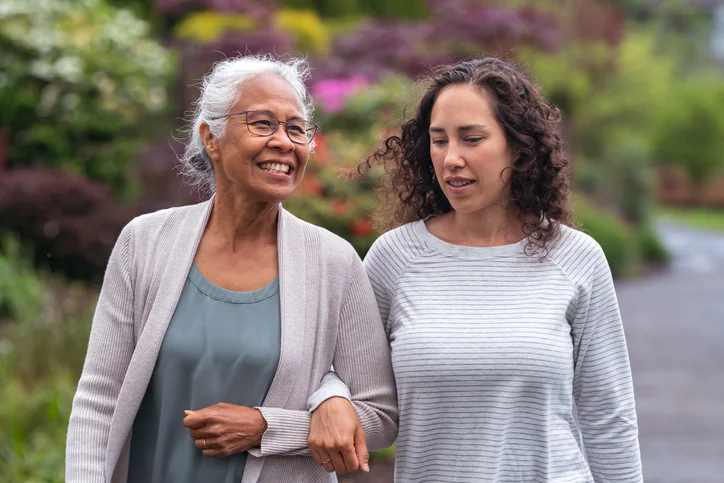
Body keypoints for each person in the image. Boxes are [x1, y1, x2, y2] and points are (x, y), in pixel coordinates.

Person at [65, 55, 397, 483]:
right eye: (262, 123)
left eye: (296, 129)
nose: (284, 142)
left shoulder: (334, 262)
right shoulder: (145, 242)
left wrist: (269, 427)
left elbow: (379, 415)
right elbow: (99, 399)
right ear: (212, 138)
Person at [307, 58, 643, 482]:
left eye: (471, 139)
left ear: (518, 148)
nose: (451, 159)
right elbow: (339, 370)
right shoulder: (394, 257)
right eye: (439, 140)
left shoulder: (575, 257)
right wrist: (330, 396)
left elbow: (607, 415)